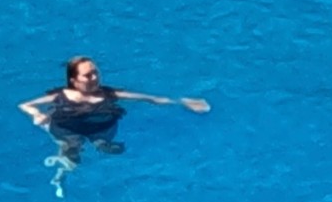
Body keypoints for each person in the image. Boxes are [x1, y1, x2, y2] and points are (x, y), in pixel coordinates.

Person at [18, 57, 210, 185]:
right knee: (73, 150)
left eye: (96, 73)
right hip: (67, 128)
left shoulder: (109, 94)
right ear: (74, 80)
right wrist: (35, 113)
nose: (94, 78)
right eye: (87, 75)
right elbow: (24, 104)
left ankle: (98, 145)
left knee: (107, 145)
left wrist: (182, 101)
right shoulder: (61, 96)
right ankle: (61, 175)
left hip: (100, 128)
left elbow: (150, 98)